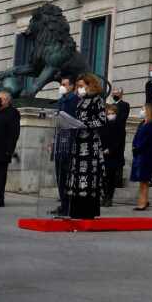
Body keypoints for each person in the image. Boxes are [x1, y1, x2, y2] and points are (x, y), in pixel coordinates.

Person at [67, 74, 107, 219]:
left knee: (88, 177)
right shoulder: (80, 101)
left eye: (82, 86)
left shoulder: (98, 100)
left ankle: (88, 211)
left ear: (90, 85)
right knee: (77, 176)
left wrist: (86, 124)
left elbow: (102, 120)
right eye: (78, 86)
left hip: (90, 144)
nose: (79, 89)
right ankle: (75, 210)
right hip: (78, 142)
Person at [52, 75, 79, 214]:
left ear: (72, 86)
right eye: (61, 84)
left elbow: (73, 120)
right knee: (60, 176)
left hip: (68, 140)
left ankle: (68, 206)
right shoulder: (61, 100)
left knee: (66, 175)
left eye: (64, 84)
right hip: (59, 140)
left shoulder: (74, 99)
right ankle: (63, 204)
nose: (62, 86)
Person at [101, 85, 130, 204]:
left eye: (112, 113)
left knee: (111, 176)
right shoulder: (105, 124)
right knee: (103, 177)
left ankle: (109, 198)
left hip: (113, 152)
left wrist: (110, 149)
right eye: (108, 113)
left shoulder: (124, 106)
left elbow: (118, 140)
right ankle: (104, 196)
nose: (110, 115)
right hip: (104, 152)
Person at [130, 103, 152, 210]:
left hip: (146, 155)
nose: (141, 111)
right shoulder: (141, 124)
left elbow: (148, 139)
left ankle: (143, 202)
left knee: (144, 181)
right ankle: (142, 201)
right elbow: (136, 136)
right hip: (139, 154)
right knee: (141, 180)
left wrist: (139, 147)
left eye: (143, 109)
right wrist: (134, 146)